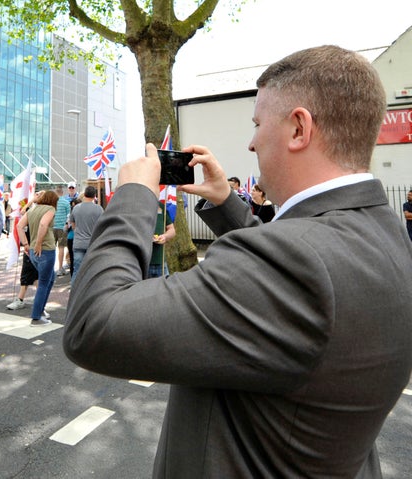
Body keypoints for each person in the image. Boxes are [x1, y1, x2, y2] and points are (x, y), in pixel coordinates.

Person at [64, 46, 412, 478]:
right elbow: (285, 286)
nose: (250, 142)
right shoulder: (386, 233)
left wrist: (134, 196)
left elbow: (92, 326)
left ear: (299, 128)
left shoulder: (293, 262)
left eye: (257, 124)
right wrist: (228, 203)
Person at [16, 190, 57, 325]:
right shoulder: (50, 209)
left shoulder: (32, 210)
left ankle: (40, 310)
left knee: (50, 278)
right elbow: (43, 224)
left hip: (33, 250)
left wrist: (26, 244)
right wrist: (39, 243)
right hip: (45, 249)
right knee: (44, 282)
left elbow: (19, 226)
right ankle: (37, 316)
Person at [69, 186, 102, 282]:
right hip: (92, 244)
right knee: (92, 271)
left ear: (85, 194)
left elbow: (73, 225)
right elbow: (101, 226)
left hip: (78, 243)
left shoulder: (76, 208)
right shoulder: (99, 209)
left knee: (77, 271)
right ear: (94, 196)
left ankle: (74, 294)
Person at [148, 203, 175, 278]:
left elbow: (172, 229)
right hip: (143, 263)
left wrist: (165, 236)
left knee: (164, 288)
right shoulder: (137, 207)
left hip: (161, 262)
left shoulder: (162, 207)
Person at [52, 185, 70, 275]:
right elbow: (68, 216)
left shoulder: (52, 203)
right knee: (61, 248)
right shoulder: (66, 203)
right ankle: (60, 268)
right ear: (62, 193)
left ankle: (51, 268)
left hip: (53, 227)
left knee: (51, 248)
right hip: (62, 228)